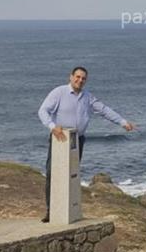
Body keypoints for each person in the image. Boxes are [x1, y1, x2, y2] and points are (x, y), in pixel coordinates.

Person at [37, 66, 136, 222]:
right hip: (60, 139)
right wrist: (52, 126)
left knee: (71, 176)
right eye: (77, 77)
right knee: (53, 175)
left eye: (83, 78)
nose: (80, 80)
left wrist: (123, 122)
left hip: (77, 140)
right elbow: (42, 111)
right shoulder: (59, 92)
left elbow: (104, 110)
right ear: (71, 77)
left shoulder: (87, 97)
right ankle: (51, 211)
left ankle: (69, 210)